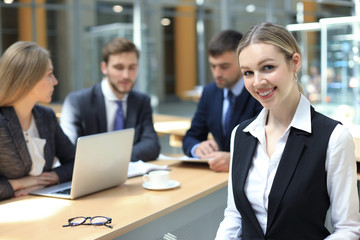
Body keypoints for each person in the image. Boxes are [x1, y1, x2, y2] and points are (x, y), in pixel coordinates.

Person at [216, 22, 360, 239]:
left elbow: (348, 229)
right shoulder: (241, 134)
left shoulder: (333, 138)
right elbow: (235, 215)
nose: (258, 82)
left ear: (295, 62)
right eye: (248, 72)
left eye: (268, 67)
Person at [60, 38, 160, 162]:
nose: (126, 75)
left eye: (132, 68)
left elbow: (151, 145)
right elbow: (70, 150)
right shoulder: (77, 102)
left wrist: (116, 160)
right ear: (104, 68)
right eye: (119, 67)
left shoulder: (141, 101)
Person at [0, 41, 75, 201]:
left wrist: (53, 177)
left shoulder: (46, 116)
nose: (55, 81)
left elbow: (75, 162)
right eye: (49, 74)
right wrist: (21, 183)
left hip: (43, 203)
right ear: (28, 79)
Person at [182, 30, 262, 172]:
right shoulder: (210, 92)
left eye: (224, 67)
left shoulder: (259, 92)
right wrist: (198, 148)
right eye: (213, 66)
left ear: (242, 62)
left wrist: (234, 158)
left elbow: (268, 145)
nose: (217, 73)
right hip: (217, 176)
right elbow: (191, 136)